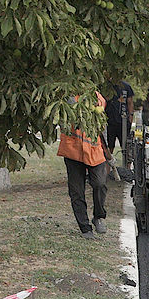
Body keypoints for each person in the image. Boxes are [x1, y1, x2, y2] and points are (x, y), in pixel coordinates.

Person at [58, 90, 109, 235]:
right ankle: (85, 227)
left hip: (94, 150)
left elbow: (101, 105)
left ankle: (98, 217)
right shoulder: (67, 96)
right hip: (72, 150)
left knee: (100, 183)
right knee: (76, 191)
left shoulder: (96, 96)